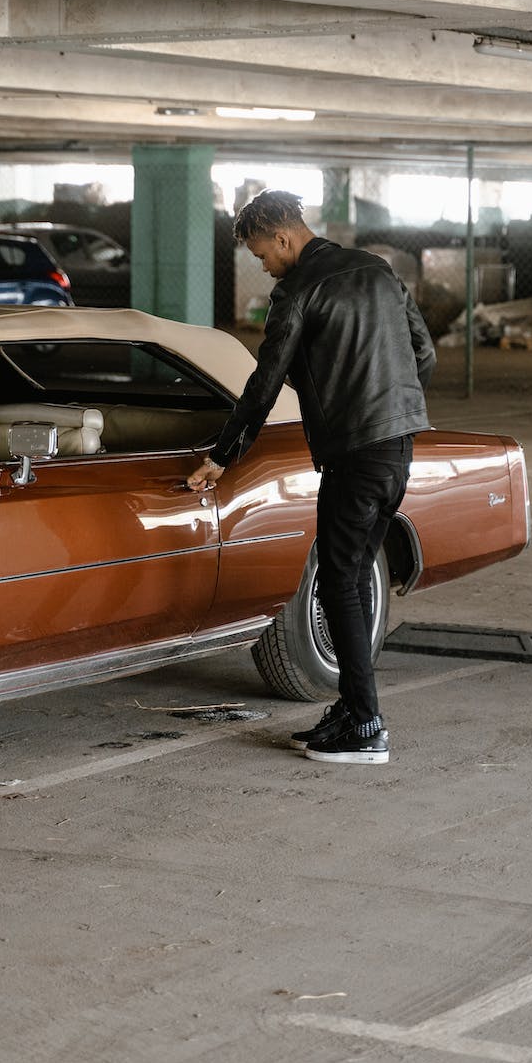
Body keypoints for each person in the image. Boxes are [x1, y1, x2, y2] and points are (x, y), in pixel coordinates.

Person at [187, 190, 435, 765]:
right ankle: (352, 711)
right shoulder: (379, 271)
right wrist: (387, 399)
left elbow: (264, 381)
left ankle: (367, 724)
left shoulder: (297, 291)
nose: (263, 266)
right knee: (347, 581)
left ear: (282, 236)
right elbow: (423, 355)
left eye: (260, 254)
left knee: (338, 582)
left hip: (354, 452)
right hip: (397, 448)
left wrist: (222, 455)